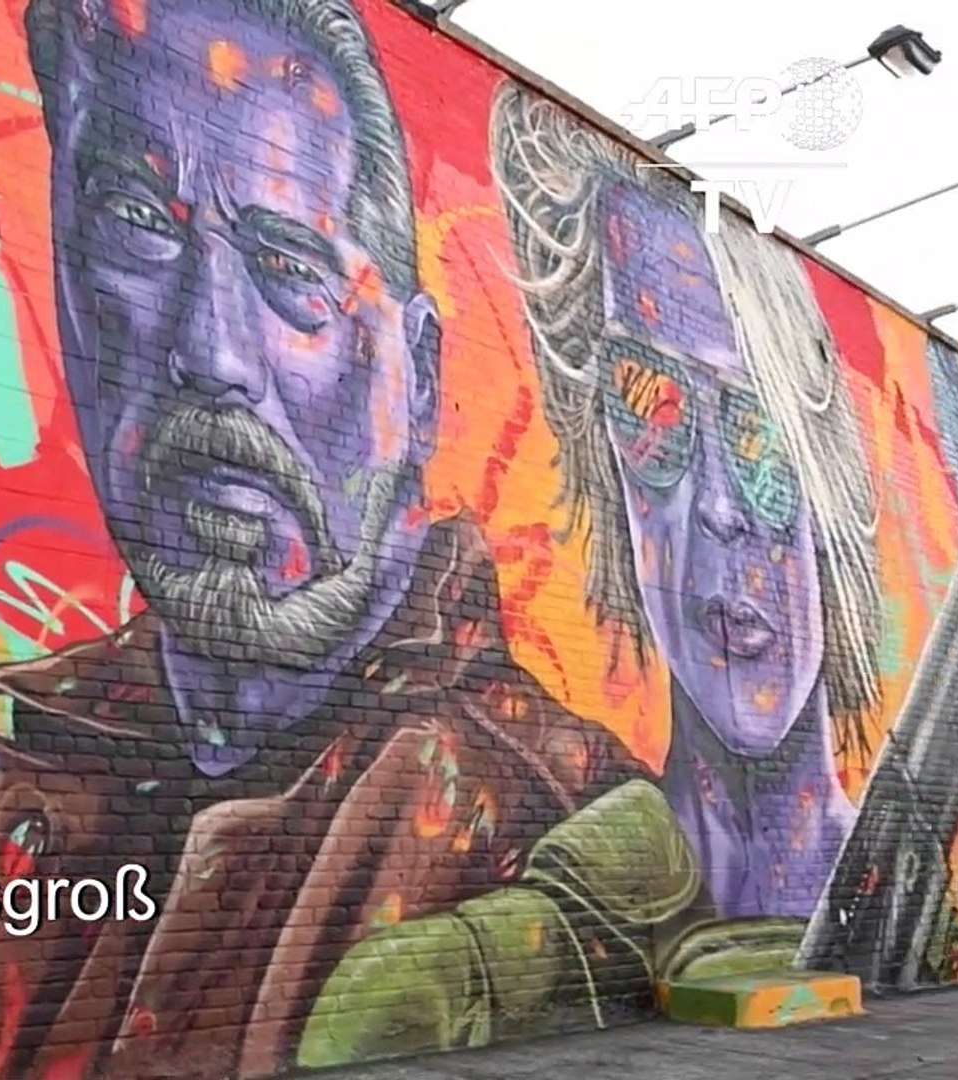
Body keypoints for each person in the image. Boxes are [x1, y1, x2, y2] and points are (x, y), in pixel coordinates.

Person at [0, 7, 647, 1078]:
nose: (212, 352)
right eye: (136, 221)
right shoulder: (68, 761)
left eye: (292, 268)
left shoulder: (535, 822)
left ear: (420, 379)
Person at [289, 81, 892, 1069]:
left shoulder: (913, 892)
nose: (718, 505)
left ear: (829, 472)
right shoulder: (542, 926)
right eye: (649, 408)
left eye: (759, 436)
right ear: (607, 465)